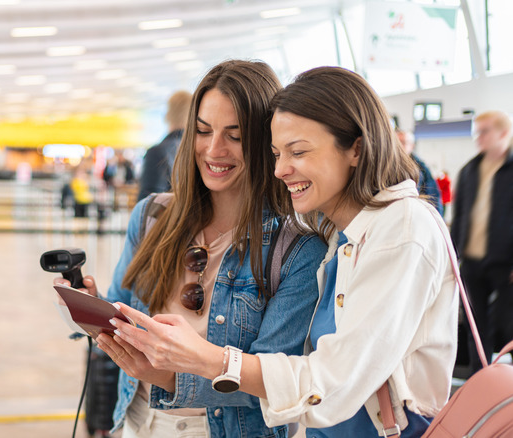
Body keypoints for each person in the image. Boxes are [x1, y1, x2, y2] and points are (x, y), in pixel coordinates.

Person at [108, 67, 459, 437]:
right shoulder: (343, 237)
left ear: (356, 147)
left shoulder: (398, 230)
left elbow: (330, 384)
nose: (280, 169)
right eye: (276, 153)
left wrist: (204, 359)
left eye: (299, 151)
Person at [56, 60, 326, 437]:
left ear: (268, 142)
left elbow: (275, 383)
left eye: (235, 135)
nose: (214, 149)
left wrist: (166, 376)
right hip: (136, 419)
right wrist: (90, 306)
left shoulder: (296, 250)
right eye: (202, 130)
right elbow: (122, 308)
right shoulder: (152, 216)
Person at [450, 110, 513, 374]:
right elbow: (459, 215)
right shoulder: (469, 170)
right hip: (472, 262)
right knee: (476, 328)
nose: (478, 138)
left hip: (505, 264)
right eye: (476, 132)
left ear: (502, 133)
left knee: (509, 325)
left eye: (484, 131)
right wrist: (452, 258)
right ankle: (479, 382)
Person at [137, 90, 192, 201]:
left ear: (168, 115)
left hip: (166, 217)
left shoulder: (157, 152)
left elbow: (148, 204)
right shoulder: (194, 151)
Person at [395, 128, 443, 215]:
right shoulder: (385, 166)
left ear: (412, 146)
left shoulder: (422, 169)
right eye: (396, 143)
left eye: (403, 142)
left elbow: (433, 197)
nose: (399, 147)